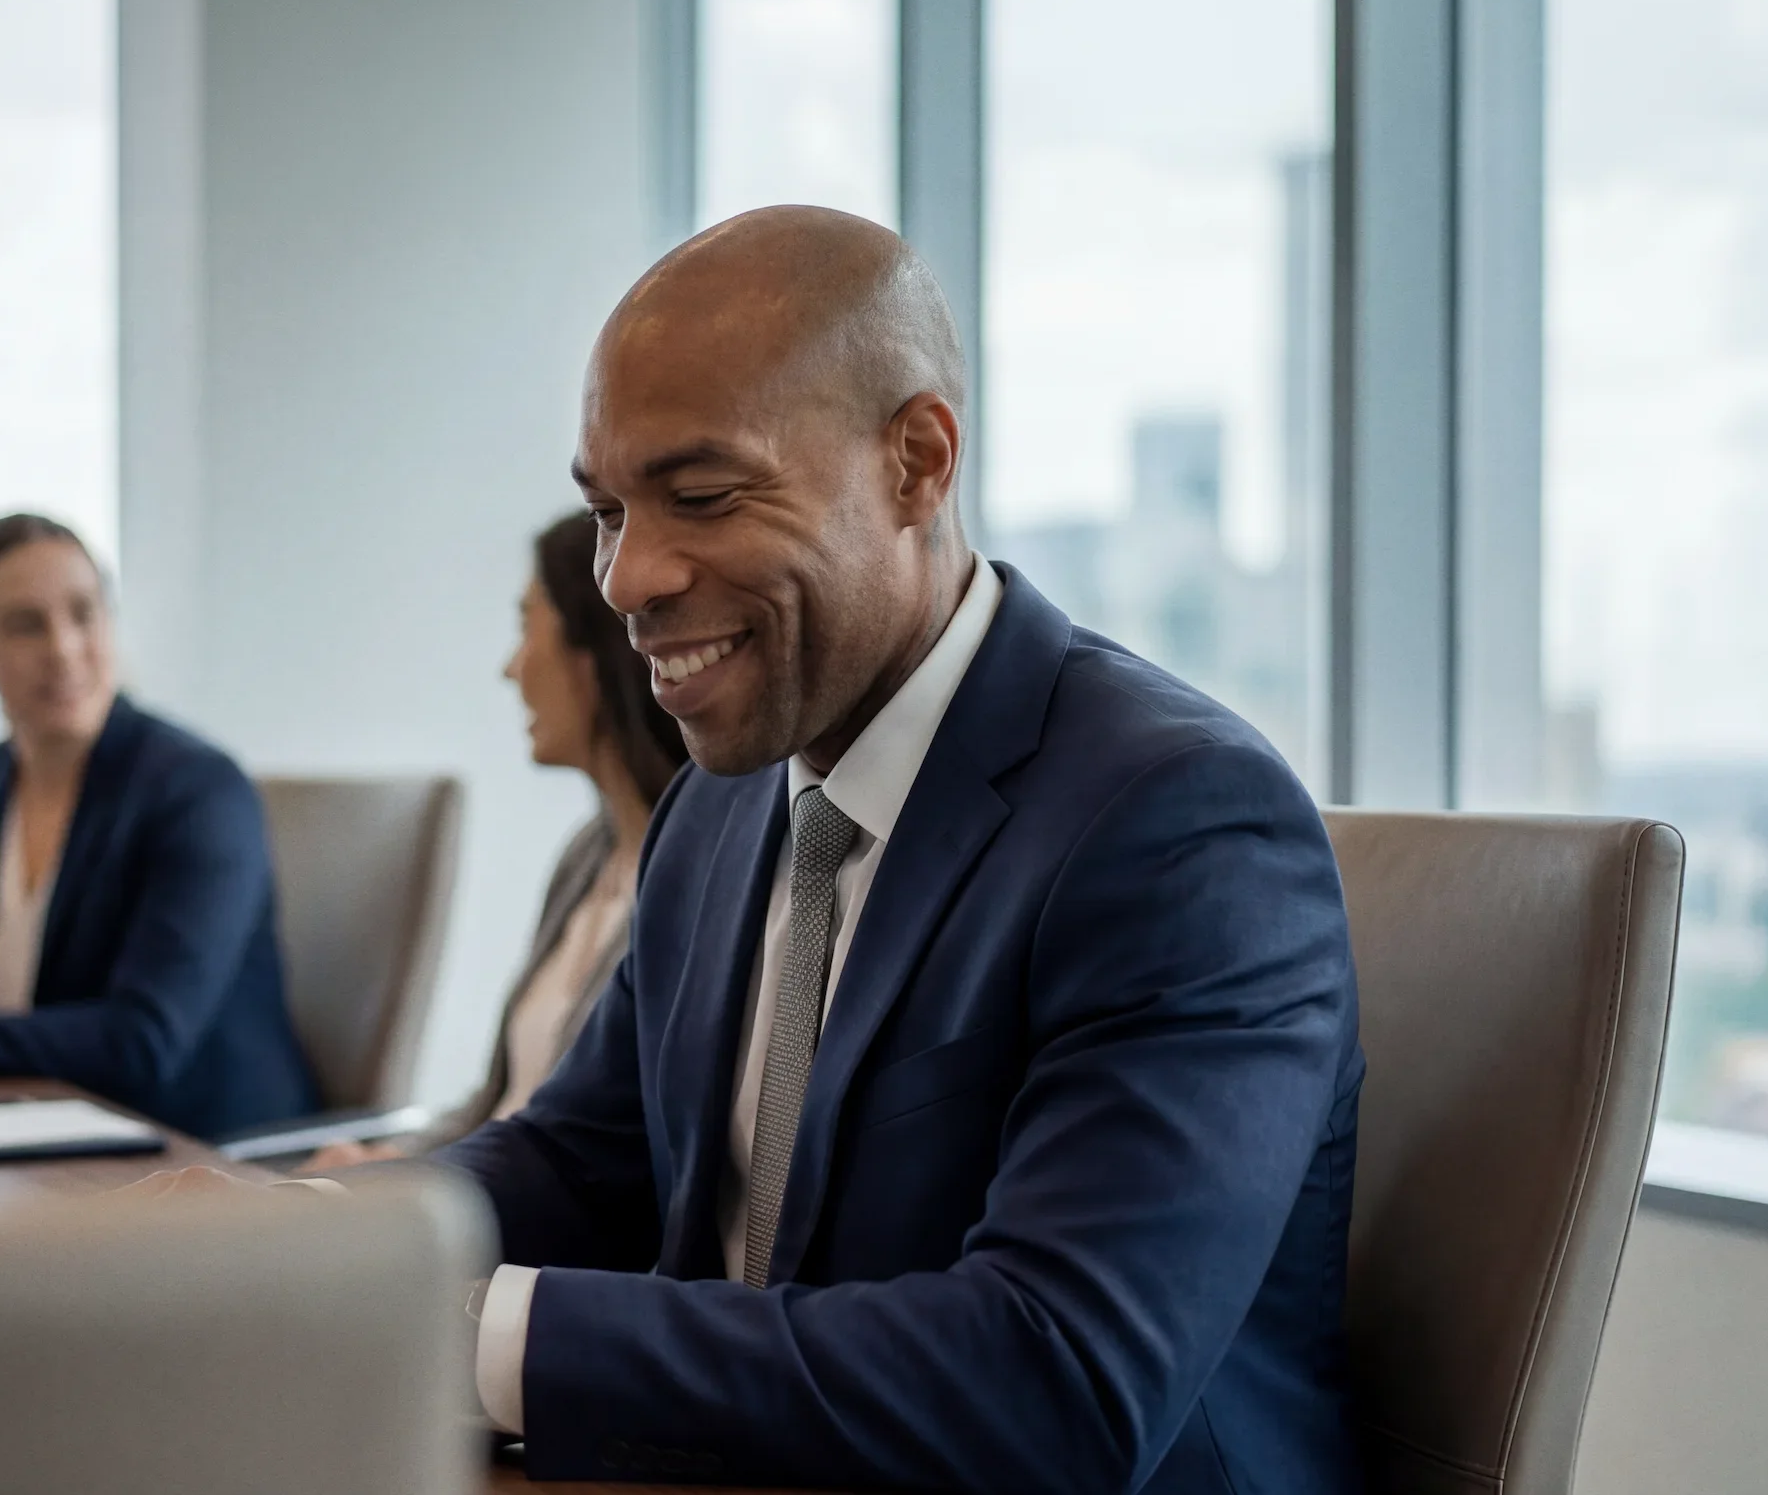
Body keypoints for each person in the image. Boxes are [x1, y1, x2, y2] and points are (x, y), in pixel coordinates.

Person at [432, 207, 1364, 1494]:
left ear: (917, 463)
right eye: (606, 511)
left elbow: (1048, 1382)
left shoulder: (1183, 826)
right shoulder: (721, 808)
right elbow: (587, 1163)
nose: (629, 577)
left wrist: (460, 1333)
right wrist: (317, 1254)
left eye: (698, 495)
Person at [0, 513, 318, 1141]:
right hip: (44, 1142)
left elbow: (141, 1042)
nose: (63, 649)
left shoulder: (198, 790)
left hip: (206, 1162)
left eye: (83, 614)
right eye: (24, 625)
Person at [313, 513, 686, 1170]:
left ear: (592, 656)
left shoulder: (697, 882)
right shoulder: (587, 856)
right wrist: (381, 1168)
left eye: (526, 627)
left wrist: (398, 1194)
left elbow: (592, 1162)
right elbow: (497, 1104)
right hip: (490, 1202)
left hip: (536, 1247)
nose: (512, 670)